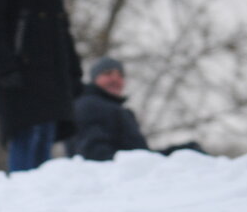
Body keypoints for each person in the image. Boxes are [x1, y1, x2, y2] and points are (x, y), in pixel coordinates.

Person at [0, 0, 83, 173]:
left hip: (52, 70)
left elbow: (61, 25)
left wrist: (74, 71)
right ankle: (23, 196)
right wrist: (6, 67)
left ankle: (39, 195)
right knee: (27, 134)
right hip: (21, 70)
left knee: (45, 133)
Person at [67, 57, 205, 161]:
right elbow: (95, 155)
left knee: (190, 152)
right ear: (94, 79)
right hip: (115, 181)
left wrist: (176, 152)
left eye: (120, 75)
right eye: (108, 73)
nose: (115, 79)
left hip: (131, 173)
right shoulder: (89, 106)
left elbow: (139, 153)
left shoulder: (114, 109)